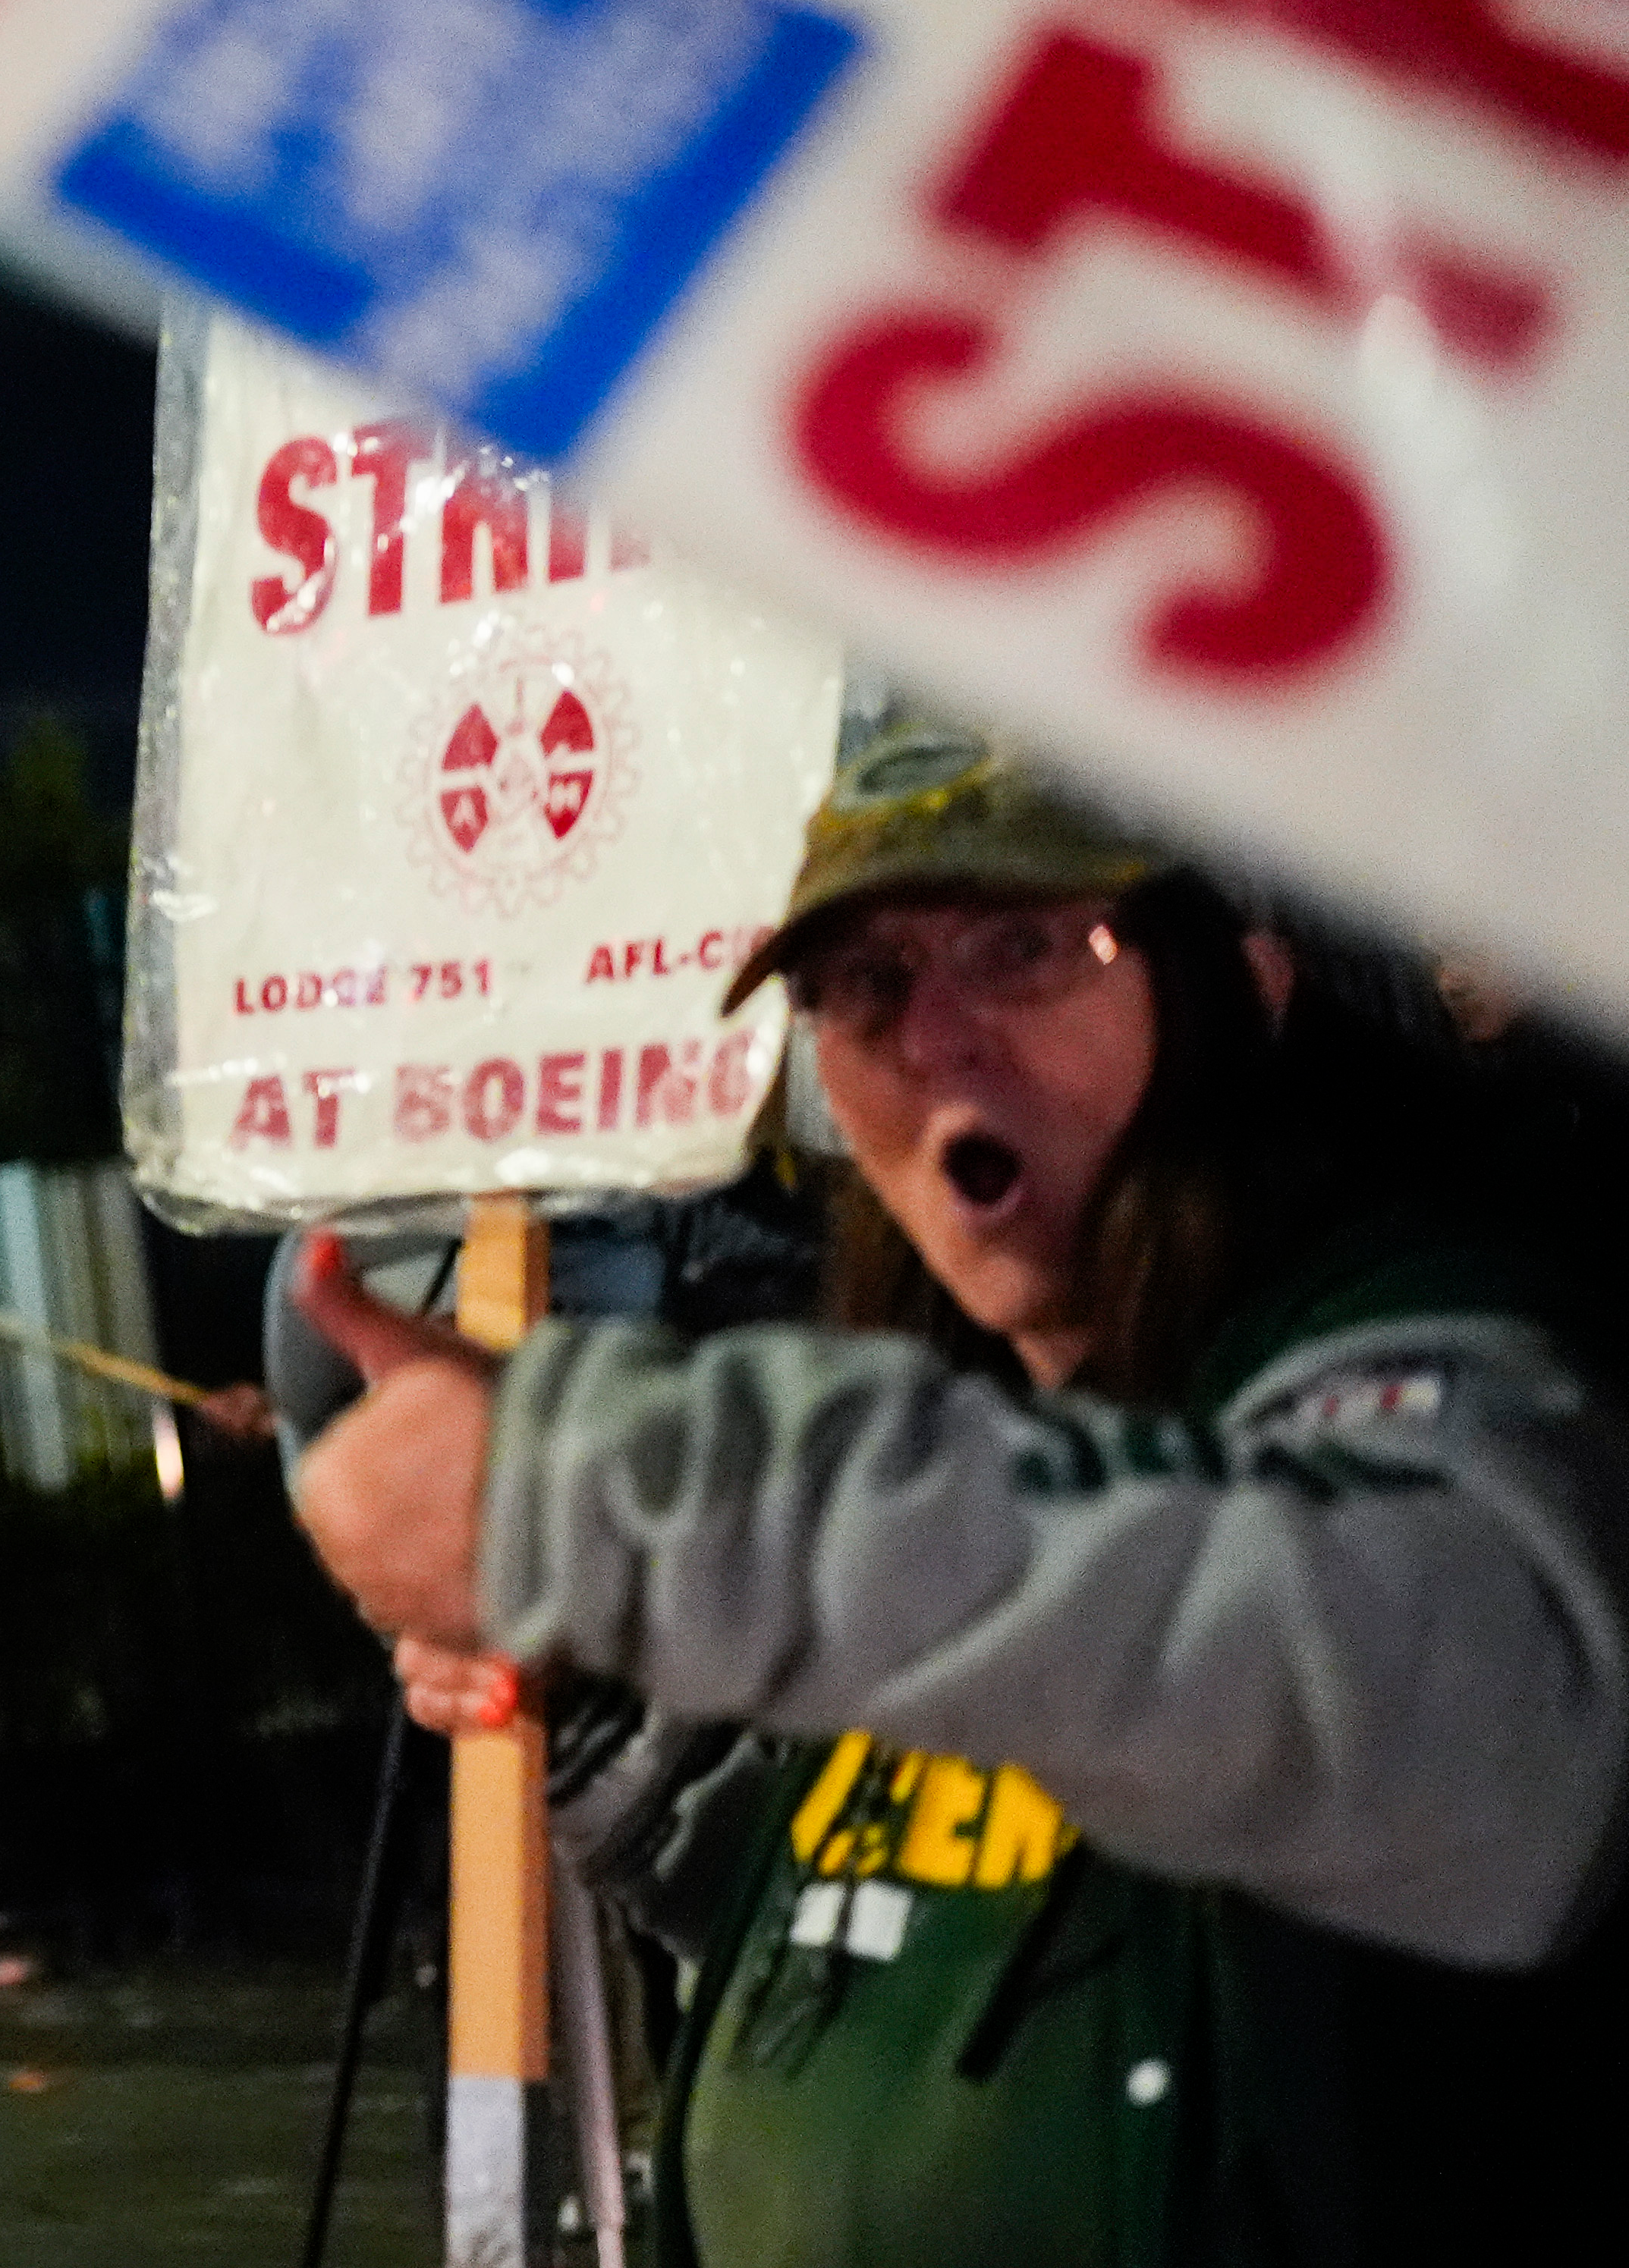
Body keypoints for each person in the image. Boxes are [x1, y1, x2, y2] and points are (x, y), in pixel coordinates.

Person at [287, 721, 1629, 2264]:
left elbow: (1417, 1702)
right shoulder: (971, 1424)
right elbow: (899, 1936)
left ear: (1237, 982)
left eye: (1022, 947)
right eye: (862, 985)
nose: (935, 1040)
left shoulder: (1461, 1350)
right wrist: (598, 1711)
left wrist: (632, 1506)